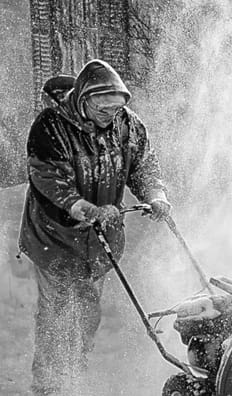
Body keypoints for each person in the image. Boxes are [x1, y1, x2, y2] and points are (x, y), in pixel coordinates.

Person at [18, 59, 172, 395]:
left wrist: (156, 195)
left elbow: (144, 166)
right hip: (54, 238)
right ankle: (48, 385)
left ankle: (74, 370)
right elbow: (47, 177)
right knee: (58, 313)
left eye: (116, 107)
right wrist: (86, 209)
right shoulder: (51, 126)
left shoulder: (127, 126)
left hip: (99, 242)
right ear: (84, 99)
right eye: (103, 107)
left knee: (86, 310)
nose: (110, 114)